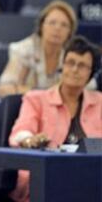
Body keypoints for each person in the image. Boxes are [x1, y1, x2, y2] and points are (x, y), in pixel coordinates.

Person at [8, 35, 102, 202]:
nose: (74, 69)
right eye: (70, 63)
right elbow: (20, 132)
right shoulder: (36, 99)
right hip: (47, 177)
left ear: (91, 73)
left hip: (92, 179)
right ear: (62, 66)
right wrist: (30, 140)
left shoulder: (100, 102)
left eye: (82, 66)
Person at [0, 0, 77, 97]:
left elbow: (89, 88)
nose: (57, 28)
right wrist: (44, 95)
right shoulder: (24, 50)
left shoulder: (72, 56)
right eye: (52, 23)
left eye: (64, 25)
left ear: (70, 32)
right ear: (41, 26)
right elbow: (4, 89)